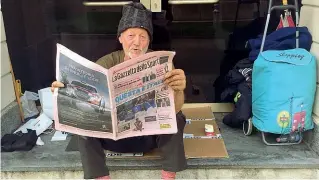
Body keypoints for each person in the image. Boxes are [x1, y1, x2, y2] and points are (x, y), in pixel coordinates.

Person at [51, 2, 187, 179]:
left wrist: (179, 89)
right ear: (120, 38)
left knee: (178, 117)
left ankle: (169, 175)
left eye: (143, 37)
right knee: (83, 123)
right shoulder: (105, 63)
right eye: (131, 35)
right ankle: (100, 176)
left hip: (148, 137)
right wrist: (63, 92)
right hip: (113, 138)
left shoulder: (161, 64)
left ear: (149, 41)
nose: (136, 43)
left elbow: (175, 109)